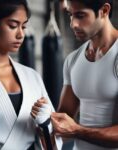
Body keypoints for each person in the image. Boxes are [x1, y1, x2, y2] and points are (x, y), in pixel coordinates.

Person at [0, 0, 59, 150]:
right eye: (13, 26)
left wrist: (46, 124)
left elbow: (53, 142)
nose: (21, 34)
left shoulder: (32, 76)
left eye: (24, 26)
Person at [32, 0, 118, 149]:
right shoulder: (73, 59)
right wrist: (44, 121)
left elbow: (73, 129)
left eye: (80, 15)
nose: (73, 24)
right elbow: (63, 123)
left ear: (104, 10)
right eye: (70, 15)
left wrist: (77, 131)